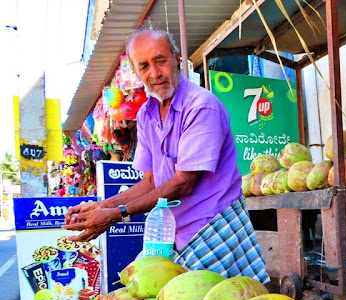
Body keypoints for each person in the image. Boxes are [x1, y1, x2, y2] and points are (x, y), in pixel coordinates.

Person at [64, 25, 268, 283]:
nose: (155, 73)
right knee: (142, 292)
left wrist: (117, 214)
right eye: (144, 66)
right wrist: (102, 206)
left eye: (160, 61)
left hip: (212, 224)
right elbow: (150, 182)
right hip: (171, 230)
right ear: (137, 72)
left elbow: (184, 182)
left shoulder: (201, 106)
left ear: (177, 59)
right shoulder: (146, 115)